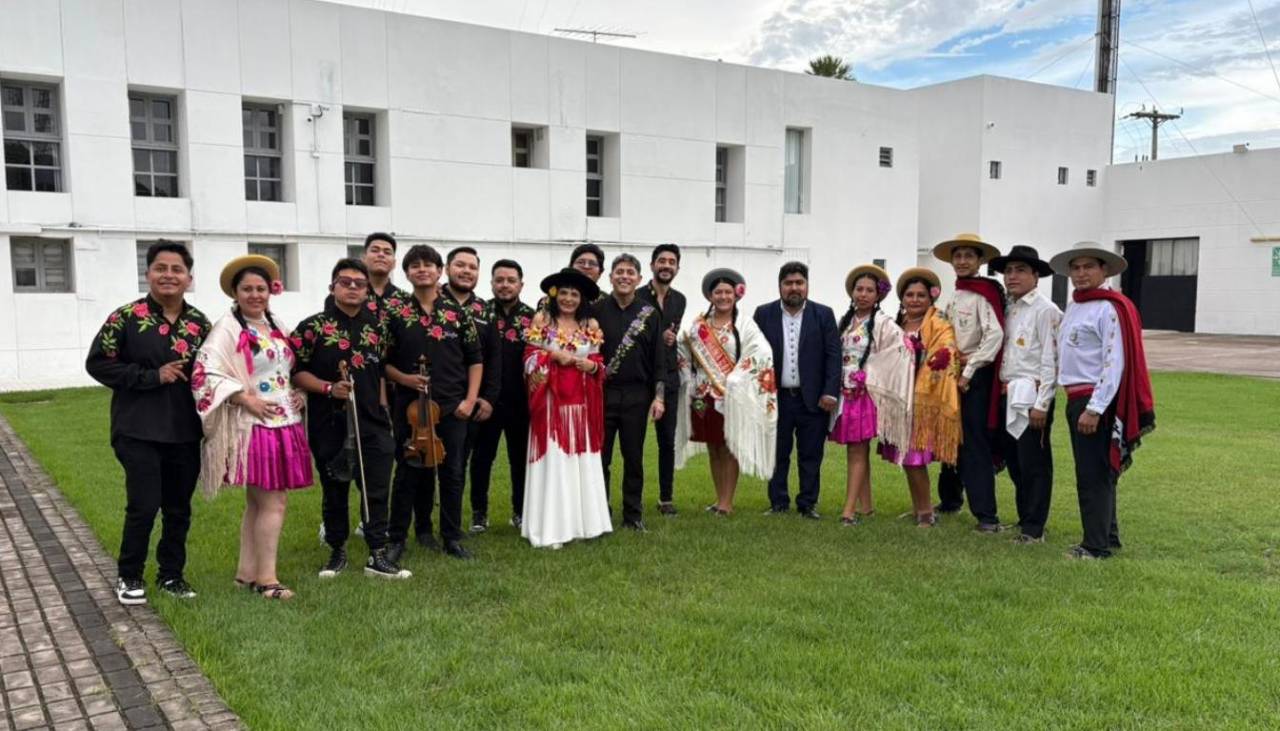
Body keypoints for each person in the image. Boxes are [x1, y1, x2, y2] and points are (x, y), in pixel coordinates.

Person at [86, 241, 211, 605]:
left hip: (185, 431)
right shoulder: (127, 317)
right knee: (143, 504)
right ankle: (129, 575)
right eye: (161, 268)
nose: (168, 275)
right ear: (148, 274)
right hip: (136, 428)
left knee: (178, 508)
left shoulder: (199, 323)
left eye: (177, 269)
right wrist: (151, 376)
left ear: (189, 278)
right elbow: (98, 363)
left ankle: (171, 575)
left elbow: (213, 370)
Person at [193, 255, 312, 600]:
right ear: (235, 292)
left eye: (261, 288)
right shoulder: (227, 329)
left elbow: (288, 366)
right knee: (273, 503)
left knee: (259, 504)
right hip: (255, 425)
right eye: (247, 289)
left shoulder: (274, 324)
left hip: (283, 421)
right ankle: (267, 579)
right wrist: (244, 398)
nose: (255, 295)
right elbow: (204, 372)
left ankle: (246, 574)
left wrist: (299, 391)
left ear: (270, 291)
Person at [292, 258, 410, 580]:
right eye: (346, 282)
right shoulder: (311, 327)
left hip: (372, 419)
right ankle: (337, 551)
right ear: (333, 287)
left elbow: (382, 369)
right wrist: (329, 388)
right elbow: (296, 372)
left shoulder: (378, 327)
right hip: (329, 421)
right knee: (335, 488)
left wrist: (385, 406)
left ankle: (377, 553)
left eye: (360, 283)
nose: (354, 287)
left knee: (376, 488)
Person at [1049, 241, 1155, 560]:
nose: (1081, 274)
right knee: (1098, 471)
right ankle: (1107, 535)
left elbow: (1114, 361)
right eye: (1076, 268)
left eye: (1088, 267)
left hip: (1093, 400)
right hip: (1075, 398)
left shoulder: (1110, 307)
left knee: (1093, 474)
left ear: (1104, 270)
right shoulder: (1078, 305)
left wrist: (1095, 408)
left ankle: (1094, 547)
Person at [383, 245, 483, 561]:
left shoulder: (459, 313)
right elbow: (381, 362)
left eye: (429, 265)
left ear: (440, 271)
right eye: (415, 266)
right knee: (408, 473)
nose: (422, 270)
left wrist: (470, 400)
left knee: (452, 472)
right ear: (408, 273)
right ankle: (397, 537)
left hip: (453, 406)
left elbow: (475, 360)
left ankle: (451, 537)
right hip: (410, 408)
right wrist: (404, 379)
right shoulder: (394, 313)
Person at [673, 269, 777, 515]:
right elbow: (682, 348)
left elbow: (761, 354)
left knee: (729, 446)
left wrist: (734, 380)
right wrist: (688, 376)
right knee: (713, 446)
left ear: (736, 295)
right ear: (710, 295)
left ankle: (727, 503)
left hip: (731, 395)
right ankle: (719, 498)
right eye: (718, 292)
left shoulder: (744, 324)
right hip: (703, 395)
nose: (723, 297)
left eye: (727, 292)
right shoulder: (699, 324)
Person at [521, 268, 611, 548]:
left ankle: (585, 525)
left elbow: (600, 363)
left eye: (575, 294)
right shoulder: (542, 320)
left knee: (580, 462)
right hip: (551, 404)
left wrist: (592, 366)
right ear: (554, 294)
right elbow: (528, 358)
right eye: (564, 293)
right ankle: (551, 528)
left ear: (582, 298)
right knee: (556, 461)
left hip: (581, 406)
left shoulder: (591, 325)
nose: (569, 299)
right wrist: (550, 355)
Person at [753, 262, 841, 519]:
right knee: (776, 454)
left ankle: (807, 504)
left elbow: (833, 356)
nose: (794, 288)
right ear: (780, 286)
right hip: (776, 398)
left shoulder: (823, 314)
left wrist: (830, 392)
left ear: (807, 286)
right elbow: (755, 356)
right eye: (788, 283)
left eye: (799, 283)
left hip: (813, 400)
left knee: (810, 455)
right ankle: (778, 502)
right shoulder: (764, 314)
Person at [932, 233, 1006, 532]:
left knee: (974, 443)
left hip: (973, 377)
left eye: (968, 256)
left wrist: (969, 369)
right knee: (951, 435)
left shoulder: (984, 293)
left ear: (979, 261)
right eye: (958, 256)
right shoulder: (956, 293)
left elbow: (995, 335)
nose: (962, 261)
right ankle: (950, 498)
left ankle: (986, 515)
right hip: (952, 373)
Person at [829, 265, 914, 526]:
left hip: (864, 396)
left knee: (857, 450)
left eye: (869, 290)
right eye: (859, 289)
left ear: (878, 295)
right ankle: (866, 507)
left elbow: (902, 351)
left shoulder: (885, 324)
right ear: (852, 292)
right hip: (844, 394)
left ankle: (848, 510)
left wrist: (871, 373)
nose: (863, 294)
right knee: (856, 451)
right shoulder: (845, 322)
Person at [878, 268, 962, 527]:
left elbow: (946, 352)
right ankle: (919, 508)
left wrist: (921, 365)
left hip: (921, 399)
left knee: (914, 458)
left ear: (931, 298)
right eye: (910, 295)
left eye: (921, 295)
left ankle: (926, 512)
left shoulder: (939, 325)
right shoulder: (895, 325)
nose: (914, 300)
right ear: (902, 298)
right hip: (899, 400)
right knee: (906, 457)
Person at [989, 245, 1062, 544]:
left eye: (1020, 270)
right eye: (1008, 271)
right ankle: (1024, 518)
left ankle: (1035, 528)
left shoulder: (1046, 310)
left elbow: (1051, 360)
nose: (1012, 276)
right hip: (1008, 392)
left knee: (1034, 463)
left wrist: (1042, 404)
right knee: (1016, 461)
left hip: (1031, 394)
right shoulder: (1009, 307)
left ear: (1036, 275)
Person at [596, 254, 666, 531]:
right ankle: (600, 515)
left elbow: (659, 359)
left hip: (638, 396)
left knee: (634, 459)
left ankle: (633, 516)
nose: (624, 276)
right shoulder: (597, 310)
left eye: (630, 272)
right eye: (619, 272)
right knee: (600, 459)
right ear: (610, 277)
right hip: (602, 394)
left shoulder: (649, 313)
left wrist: (659, 397)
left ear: (638, 279)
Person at [470, 259, 536, 530]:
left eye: (511, 280)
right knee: (482, 458)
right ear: (492, 283)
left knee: (520, 459)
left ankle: (520, 511)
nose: (505, 285)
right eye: (499, 280)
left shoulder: (534, 319)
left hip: (521, 402)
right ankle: (479, 513)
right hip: (486, 401)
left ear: (521, 284)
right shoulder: (479, 314)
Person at [440, 246, 502, 533]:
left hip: (470, 403)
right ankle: (424, 528)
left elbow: (493, 358)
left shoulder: (485, 311)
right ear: (446, 268)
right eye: (460, 265)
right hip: (430, 400)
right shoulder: (430, 303)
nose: (466, 271)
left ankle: (452, 528)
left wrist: (487, 398)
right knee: (421, 469)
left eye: (472, 267)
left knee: (458, 466)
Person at [636, 243, 687, 516]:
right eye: (661, 261)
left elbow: (673, 333)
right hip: (640, 377)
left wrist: (671, 338)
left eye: (671, 262)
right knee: (634, 442)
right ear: (652, 265)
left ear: (677, 268)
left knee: (666, 440)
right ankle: (633, 499)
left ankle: (666, 498)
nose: (666, 265)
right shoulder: (637, 295)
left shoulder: (680, 299)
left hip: (668, 378)